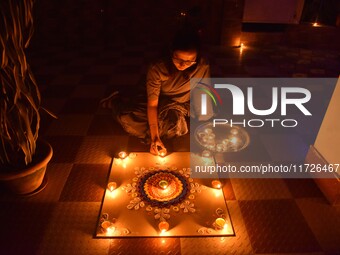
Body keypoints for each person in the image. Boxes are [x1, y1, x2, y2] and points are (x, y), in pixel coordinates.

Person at [101, 27, 214, 155]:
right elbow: (152, 104)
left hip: (177, 104)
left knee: (172, 127)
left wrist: (205, 129)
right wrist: (155, 138)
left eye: (189, 61)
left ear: (197, 57)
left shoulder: (202, 66)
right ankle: (114, 101)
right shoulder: (157, 68)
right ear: (171, 52)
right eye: (178, 59)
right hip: (154, 99)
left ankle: (168, 123)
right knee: (132, 120)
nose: (182, 65)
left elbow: (203, 96)